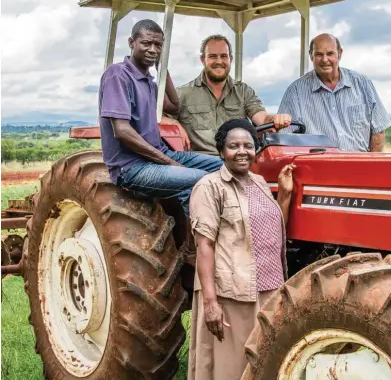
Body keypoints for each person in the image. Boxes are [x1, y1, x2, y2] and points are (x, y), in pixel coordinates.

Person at [187, 119, 295, 380]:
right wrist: (211, 303)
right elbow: (205, 246)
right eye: (233, 145)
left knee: (265, 358)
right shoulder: (209, 187)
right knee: (232, 365)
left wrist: (285, 195)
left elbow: (272, 229)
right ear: (221, 151)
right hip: (233, 292)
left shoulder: (258, 182)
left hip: (269, 286)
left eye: (248, 145)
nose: (241, 151)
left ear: (256, 150)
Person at [98, 19, 223, 216]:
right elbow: (121, 130)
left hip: (158, 156)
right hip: (132, 167)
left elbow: (173, 106)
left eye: (158, 45)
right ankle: (195, 244)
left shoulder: (149, 82)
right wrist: (169, 162)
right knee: (201, 179)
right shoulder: (118, 75)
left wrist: (161, 66)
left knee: (224, 167)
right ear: (132, 43)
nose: (152, 49)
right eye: (146, 43)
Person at [173, 34, 292, 155]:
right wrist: (175, 124)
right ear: (203, 60)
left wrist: (276, 119)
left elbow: (263, 119)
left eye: (224, 56)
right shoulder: (183, 94)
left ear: (230, 58)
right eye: (213, 56)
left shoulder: (244, 92)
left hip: (237, 160)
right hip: (201, 164)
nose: (219, 61)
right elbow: (159, 116)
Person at [277, 33, 391, 152]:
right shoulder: (295, 91)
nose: (325, 59)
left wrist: (371, 167)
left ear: (340, 54)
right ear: (311, 56)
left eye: (330, 53)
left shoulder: (362, 83)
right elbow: (286, 139)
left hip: (360, 166)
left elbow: (378, 132)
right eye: (319, 54)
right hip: (318, 168)